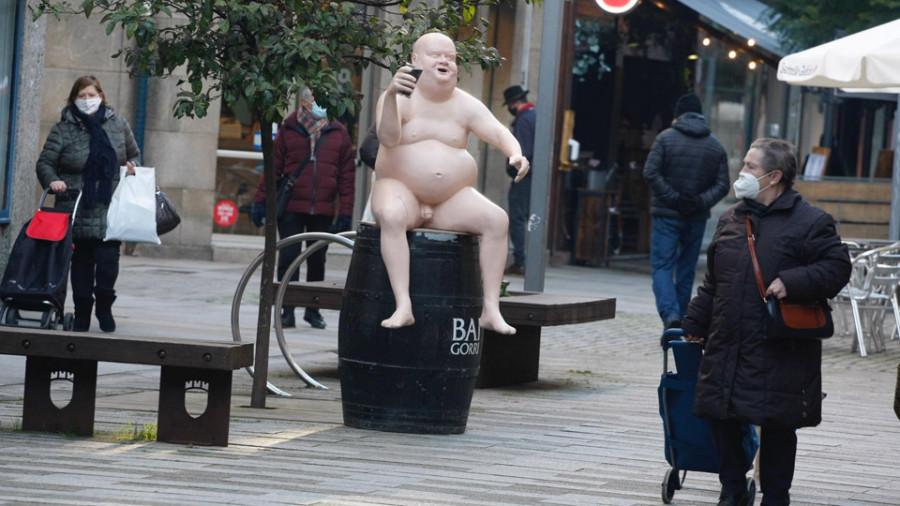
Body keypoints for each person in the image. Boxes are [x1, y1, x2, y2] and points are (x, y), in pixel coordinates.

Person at [682, 138, 851, 506]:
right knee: (721, 414)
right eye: (742, 165)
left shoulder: (811, 221)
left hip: (780, 345)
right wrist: (694, 321)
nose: (741, 173)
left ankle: (776, 497)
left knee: (777, 425)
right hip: (728, 339)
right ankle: (732, 489)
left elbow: (837, 268)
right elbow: (715, 280)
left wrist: (792, 282)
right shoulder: (731, 218)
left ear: (774, 176)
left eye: (750, 167)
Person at [372, 32, 529, 334]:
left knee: (497, 220)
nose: (445, 60)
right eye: (435, 54)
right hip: (400, 190)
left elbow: (497, 131)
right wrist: (391, 95)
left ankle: (491, 310)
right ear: (415, 60)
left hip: (449, 200)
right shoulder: (398, 98)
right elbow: (388, 138)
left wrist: (516, 153)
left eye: (451, 57)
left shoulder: (464, 104)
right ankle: (403, 304)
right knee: (391, 215)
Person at [35, 75, 141, 333]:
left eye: (91, 95)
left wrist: (132, 166)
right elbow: (45, 163)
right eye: (81, 96)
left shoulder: (118, 125)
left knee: (107, 262)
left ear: (101, 97)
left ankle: (104, 305)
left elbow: (134, 154)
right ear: (73, 100)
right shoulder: (63, 129)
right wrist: (54, 181)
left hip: (110, 205)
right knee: (81, 263)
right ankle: (82, 312)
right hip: (75, 205)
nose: (86, 101)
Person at [251, 86, 355, 329]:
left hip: (323, 209)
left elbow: (347, 178)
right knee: (288, 259)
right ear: (303, 102)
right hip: (291, 208)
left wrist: (346, 212)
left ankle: (313, 310)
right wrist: (259, 201)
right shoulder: (288, 130)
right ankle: (286, 310)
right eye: (312, 99)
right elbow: (273, 169)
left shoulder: (338, 132)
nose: (316, 104)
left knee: (317, 260)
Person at [643, 92, 729, 330]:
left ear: (677, 114)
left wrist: (673, 198)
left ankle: (670, 315)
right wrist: (699, 202)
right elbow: (722, 184)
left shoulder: (665, 139)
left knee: (662, 267)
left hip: (666, 214)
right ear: (701, 114)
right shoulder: (715, 145)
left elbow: (651, 173)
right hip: (696, 217)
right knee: (686, 270)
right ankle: (680, 320)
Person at [501, 85, 535, 276]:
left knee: (517, 217)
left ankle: (520, 261)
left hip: (524, 176)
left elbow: (523, 151)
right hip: (535, 177)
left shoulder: (523, 120)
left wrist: (513, 169)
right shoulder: (535, 115)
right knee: (532, 217)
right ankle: (528, 261)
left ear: (515, 103)